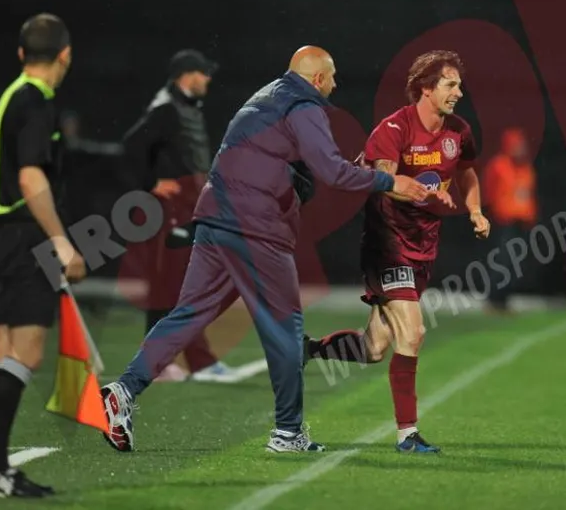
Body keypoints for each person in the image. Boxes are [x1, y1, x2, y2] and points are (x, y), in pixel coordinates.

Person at [99, 46, 434, 454]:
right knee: (285, 330)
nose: (335, 84)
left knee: (188, 314)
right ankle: (288, 432)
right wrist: (390, 182)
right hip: (255, 227)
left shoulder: (266, 95)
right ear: (316, 79)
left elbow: (281, 161)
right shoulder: (305, 106)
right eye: (331, 76)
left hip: (216, 218)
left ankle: (124, 390)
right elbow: (331, 171)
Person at [304, 50, 491, 453]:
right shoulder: (393, 128)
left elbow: (467, 171)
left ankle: (308, 349)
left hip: (423, 246)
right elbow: (384, 181)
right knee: (414, 332)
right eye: (450, 84)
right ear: (426, 88)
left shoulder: (458, 132)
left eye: (459, 84)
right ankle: (408, 435)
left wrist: (475, 210)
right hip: (387, 243)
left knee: (374, 348)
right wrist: (420, 190)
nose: (459, 92)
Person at [0, 13, 87, 498]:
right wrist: (60, 240)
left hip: (6, 237)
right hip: (27, 238)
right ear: (65, 55)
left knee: (4, 352)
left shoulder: (7, 99)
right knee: (27, 352)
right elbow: (29, 177)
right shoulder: (37, 101)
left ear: (22, 54)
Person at [119, 49, 238, 383]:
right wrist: (151, 183)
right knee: (169, 283)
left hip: (188, 209)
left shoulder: (183, 107)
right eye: (203, 72)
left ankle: (196, 361)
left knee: (185, 284)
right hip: (169, 211)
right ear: (187, 74)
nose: (208, 79)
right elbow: (131, 145)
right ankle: (159, 362)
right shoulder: (166, 109)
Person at [481, 127, 537, 313]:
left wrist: (530, 216)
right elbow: (489, 191)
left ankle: (504, 300)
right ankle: (494, 299)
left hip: (521, 223)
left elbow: (528, 195)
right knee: (503, 260)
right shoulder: (499, 166)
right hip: (504, 222)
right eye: (516, 145)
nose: (520, 149)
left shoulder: (526, 168)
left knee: (515, 263)